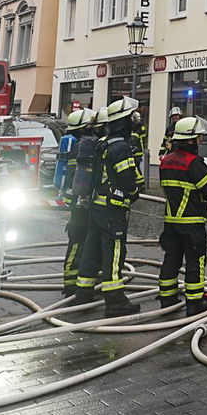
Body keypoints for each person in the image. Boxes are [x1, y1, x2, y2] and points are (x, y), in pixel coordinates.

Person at [73, 98, 143, 317]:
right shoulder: (120, 146)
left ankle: (83, 291)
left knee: (92, 248)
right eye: (131, 116)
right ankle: (115, 299)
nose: (135, 120)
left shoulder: (101, 142)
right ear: (123, 121)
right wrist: (133, 193)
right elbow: (127, 180)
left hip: (96, 205)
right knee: (113, 251)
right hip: (112, 209)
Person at [157, 116, 207, 316]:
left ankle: (167, 298)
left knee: (171, 259)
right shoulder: (193, 163)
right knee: (195, 262)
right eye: (199, 137)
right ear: (191, 139)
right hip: (192, 222)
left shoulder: (165, 161)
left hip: (171, 222)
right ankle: (194, 303)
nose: (201, 140)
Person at [60, 110, 103, 294]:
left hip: (78, 202)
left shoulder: (78, 146)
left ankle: (74, 281)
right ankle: (71, 283)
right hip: (82, 204)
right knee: (78, 242)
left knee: (80, 241)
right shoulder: (84, 147)